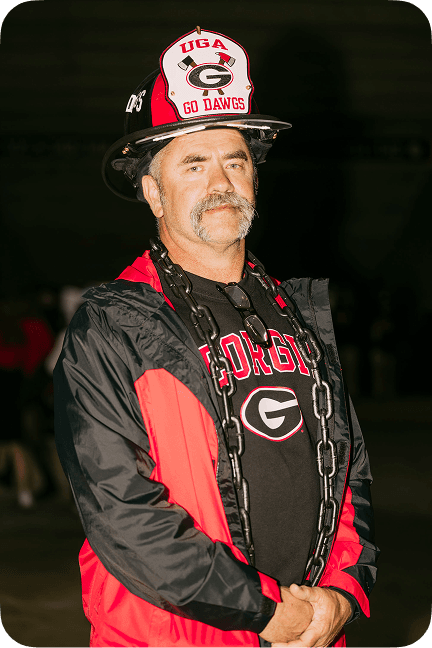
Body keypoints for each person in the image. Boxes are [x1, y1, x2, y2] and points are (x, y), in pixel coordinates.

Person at [54, 28, 379, 648]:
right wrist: (263, 612)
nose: (221, 181)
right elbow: (122, 512)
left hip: (311, 631)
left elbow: (350, 473)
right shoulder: (115, 325)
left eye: (235, 160)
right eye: (194, 164)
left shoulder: (297, 313)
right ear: (153, 191)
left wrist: (343, 593)